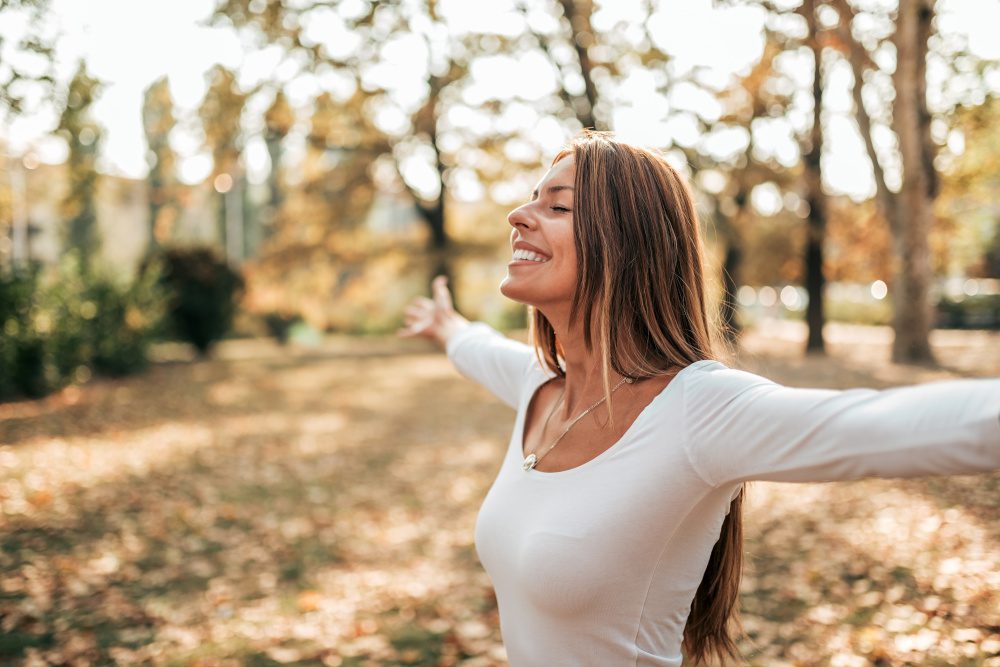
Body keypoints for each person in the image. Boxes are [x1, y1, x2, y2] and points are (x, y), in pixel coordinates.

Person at [396, 131, 999, 666]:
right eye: (533, 199)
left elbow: (886, 427)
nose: (518, 215)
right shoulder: (542, 388)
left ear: (628, 245)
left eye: (557, 205)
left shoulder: (697, 411)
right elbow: (476, 348)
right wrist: (448, 327)